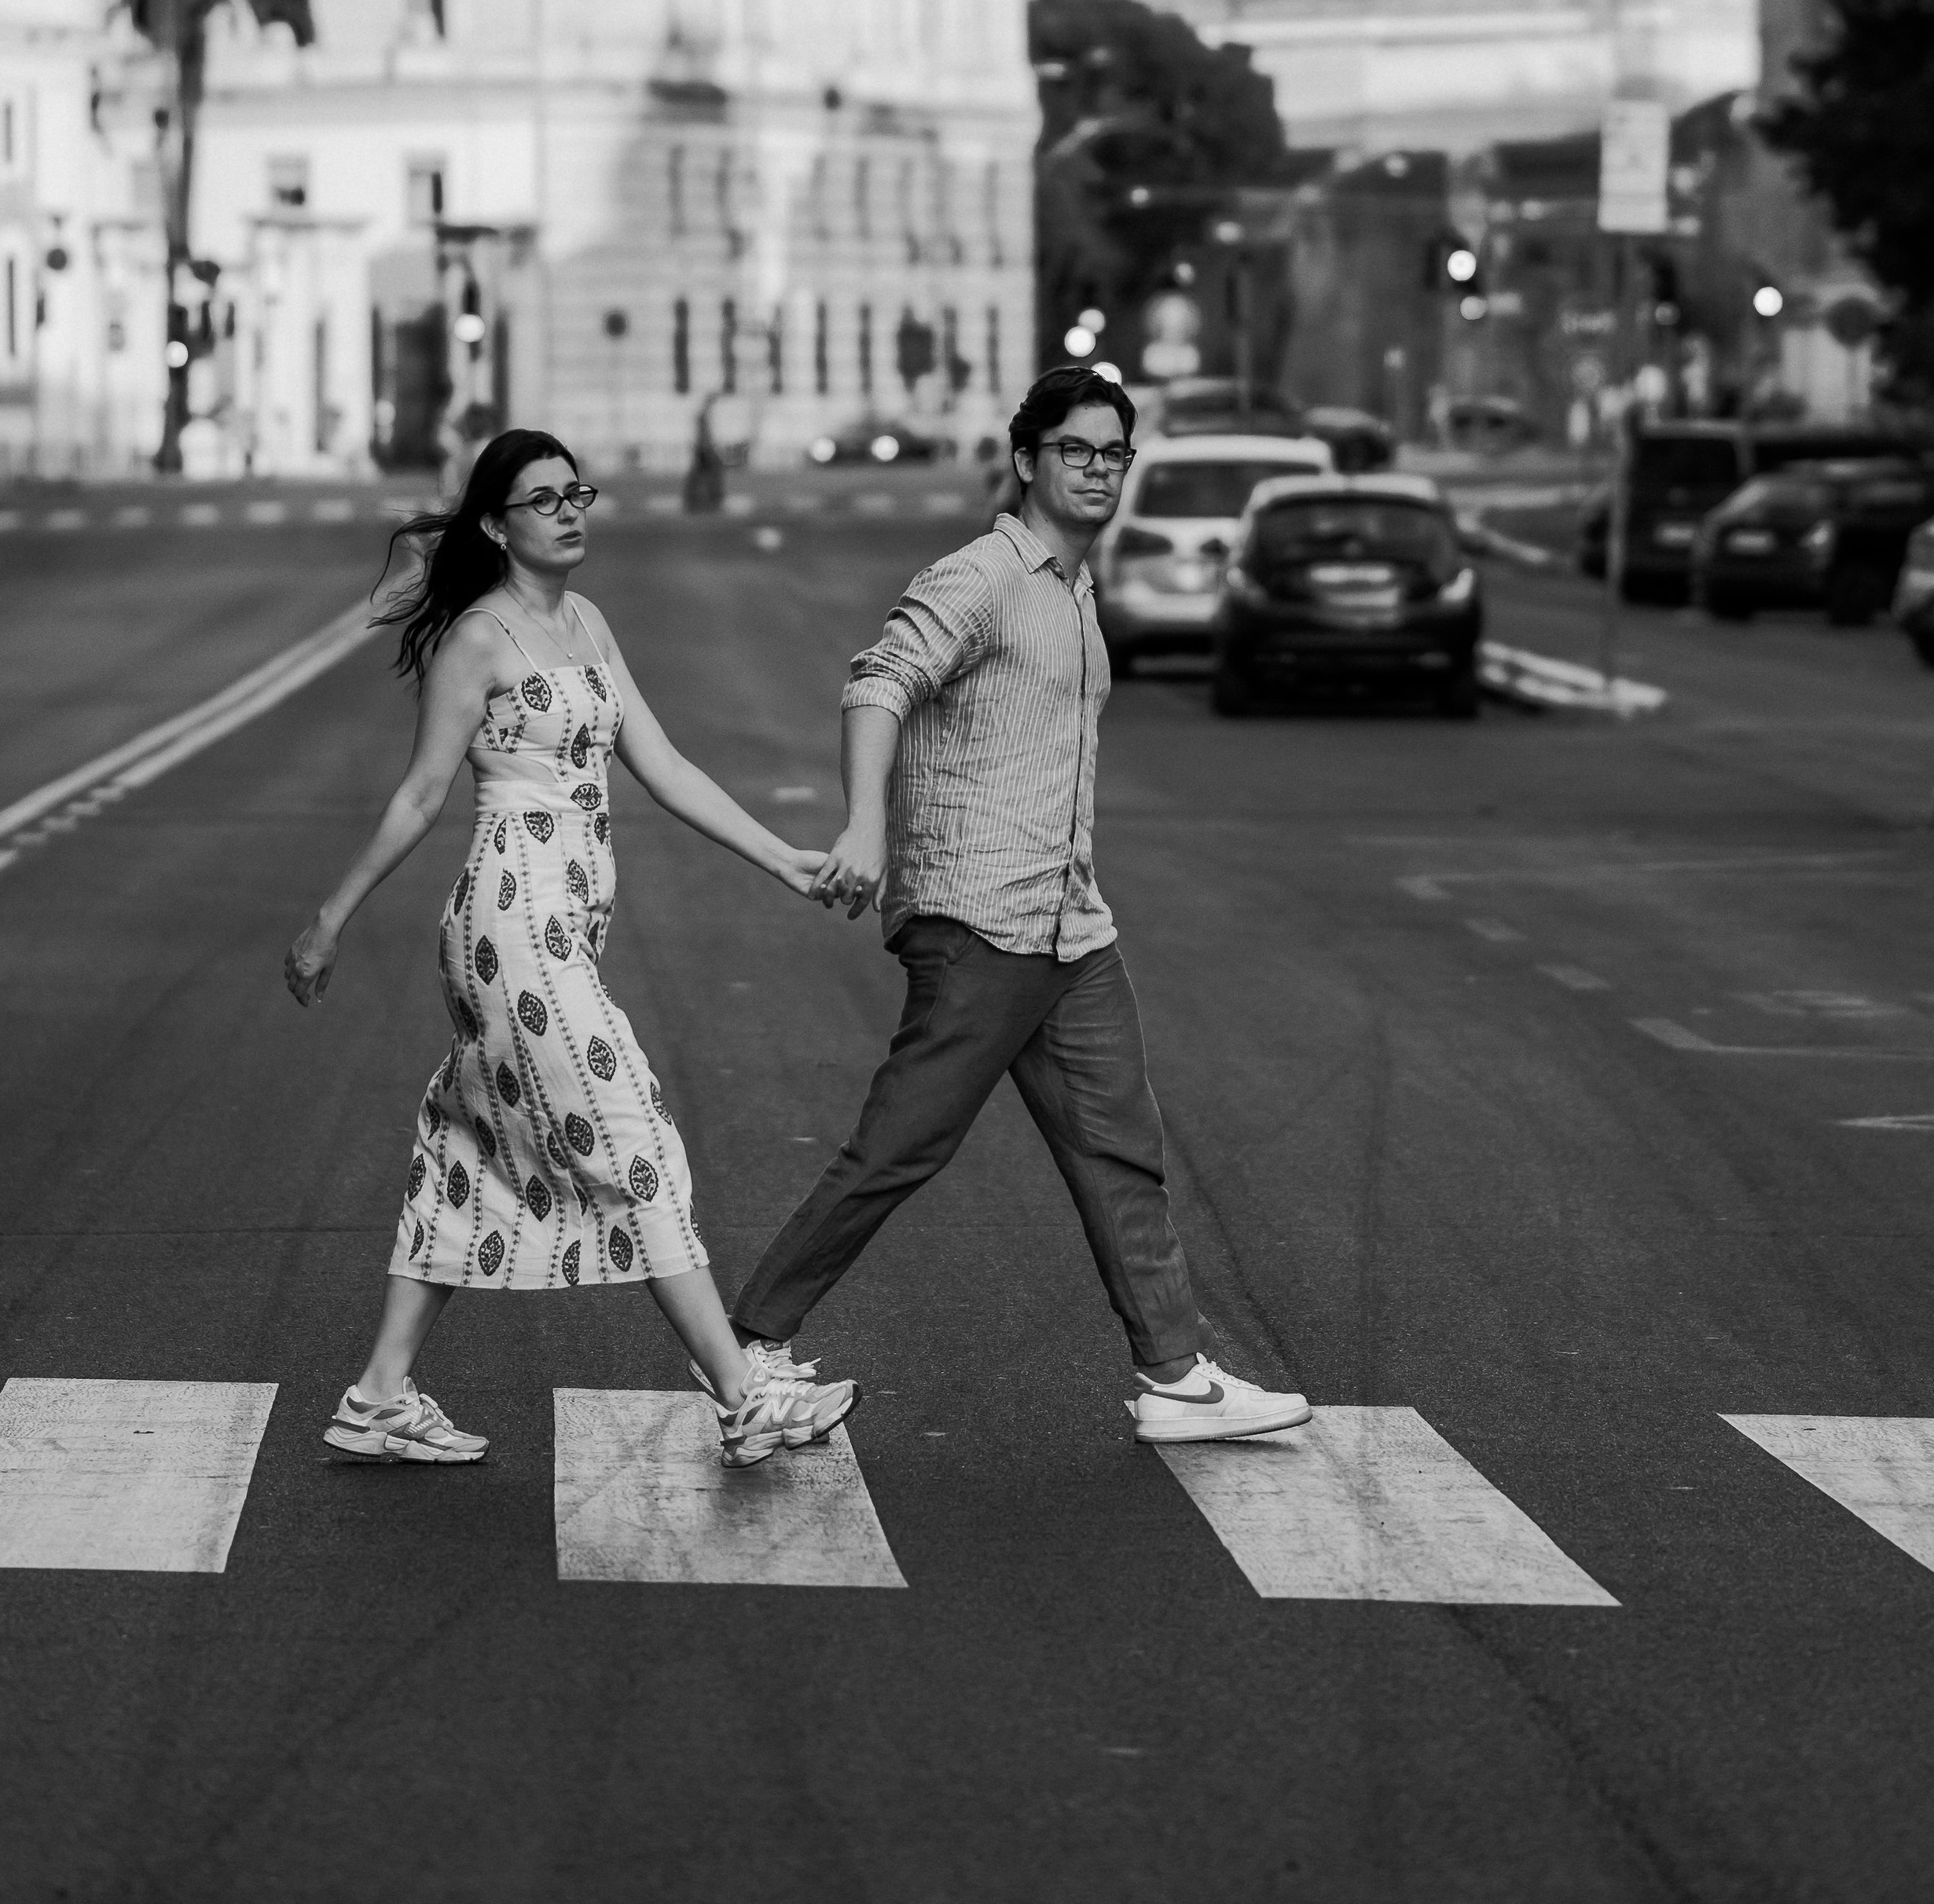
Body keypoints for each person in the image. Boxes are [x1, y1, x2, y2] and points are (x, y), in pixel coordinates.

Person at [731, 365, 1310, 1444]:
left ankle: (1175, 1377)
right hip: (980, 918)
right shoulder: (985, 576)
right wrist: (863, 826)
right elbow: (878, 681)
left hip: (1067, 923)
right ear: (1030, 459)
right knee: (902, 1144)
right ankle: (749, 1346)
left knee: (1120, 1145)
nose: (1098, 471)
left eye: (1113, 453)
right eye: (1077, 451)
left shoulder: (1075, 590)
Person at [284, 427, 857, 1472]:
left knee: (467, 1153)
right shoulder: (480, 639)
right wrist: (331, 916)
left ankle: (377, 1398)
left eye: (575, 493)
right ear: (498, 526)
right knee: (632, 1142)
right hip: (514, 924)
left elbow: (665, 763)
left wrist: (787, 861)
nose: (569, 511)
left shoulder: (586, 621)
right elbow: (422, 793)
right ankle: (743, 1394)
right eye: (542, 501)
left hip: (564, 929)